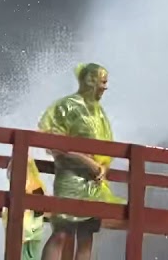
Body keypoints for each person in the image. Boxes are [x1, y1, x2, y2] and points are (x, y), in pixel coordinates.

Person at [37, 63, 123, 260]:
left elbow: (105, 147)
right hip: (70, 178)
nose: (105, 87)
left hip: (94, 182)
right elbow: (54, 143)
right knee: (61, 233)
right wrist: (87, 162)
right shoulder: (66, 106)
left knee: (86, 237)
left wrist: (102, 167)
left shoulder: (99, 113)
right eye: (102, 82)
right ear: (90, 81)